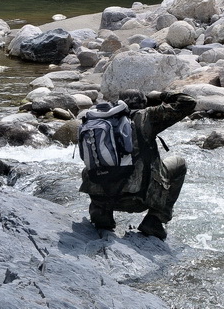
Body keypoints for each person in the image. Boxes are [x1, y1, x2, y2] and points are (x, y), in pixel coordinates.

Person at [79, 89, 197, 239]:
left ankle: (100, 211)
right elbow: (188, 102)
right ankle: (155, 219)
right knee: (179, 163)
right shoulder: (147, 116)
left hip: (104, 197)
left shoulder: (99, 120)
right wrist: (162, 95)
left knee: (94, 164)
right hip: (138, 199)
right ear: (144, 104)